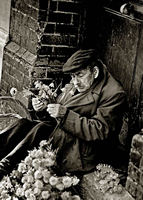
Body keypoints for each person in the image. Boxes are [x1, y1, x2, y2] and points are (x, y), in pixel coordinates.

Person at [0, 49, 126, 180]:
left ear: (94, 72)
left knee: (40, 130)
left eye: (80, 75)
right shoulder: (82, 82)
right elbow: (61, 110)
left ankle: (5, 167)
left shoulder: (114, 93)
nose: (75, 82)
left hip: (87, 149)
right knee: (23, 124)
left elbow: (100, 131)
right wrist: (44, 108)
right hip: (67, 133)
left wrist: (64, 115)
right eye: (72, 76)